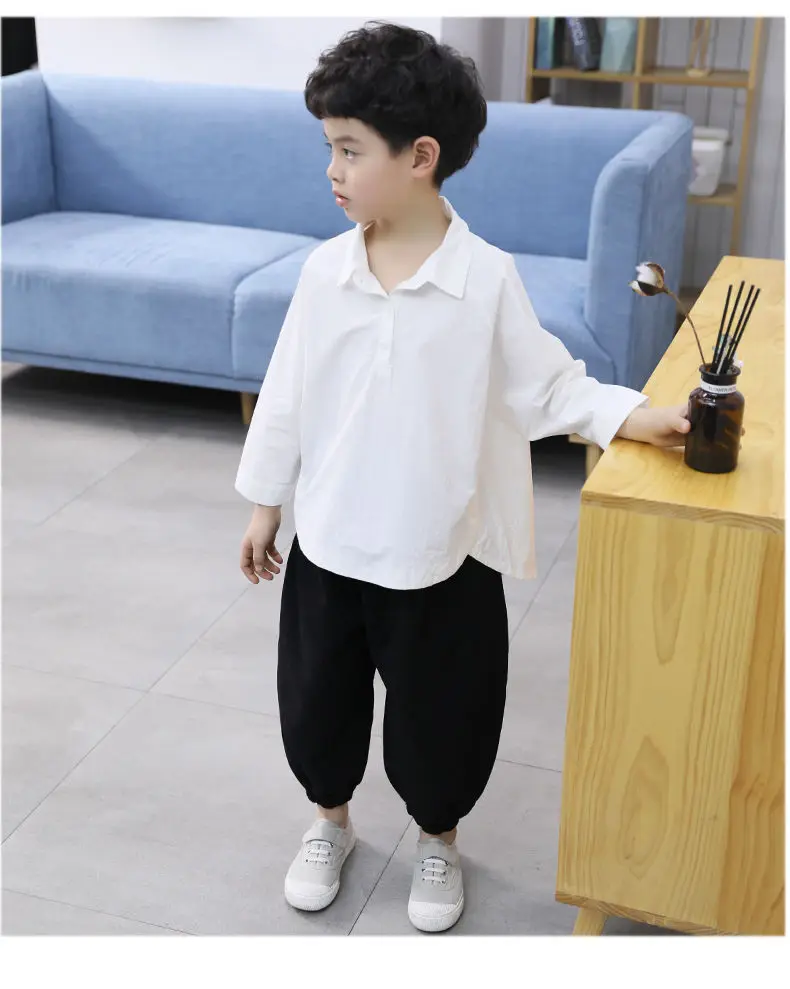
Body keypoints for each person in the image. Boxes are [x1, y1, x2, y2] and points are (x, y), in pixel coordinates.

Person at [235, 21, 692, 934]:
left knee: (444, 713)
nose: (331, 169)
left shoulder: (484, 279)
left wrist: (631, 415)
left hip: (442, 550)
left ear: (421, 157)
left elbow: (547, 384)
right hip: (330, 542)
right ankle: (330, 820)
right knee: (318, 702)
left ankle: (438, 837)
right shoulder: (325, 273)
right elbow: (284, 394)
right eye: (330, 147)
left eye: (350, 149)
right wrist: (264, 504)